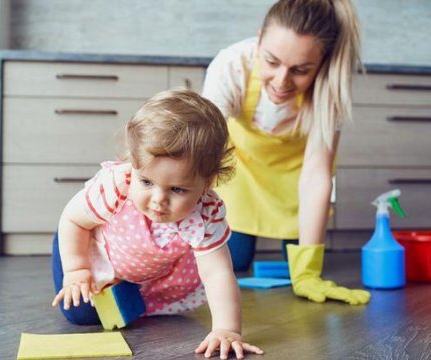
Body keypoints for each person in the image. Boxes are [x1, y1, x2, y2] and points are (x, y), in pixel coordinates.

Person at [51, 89, 264, 359]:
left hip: (146, 266)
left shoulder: (206, 214)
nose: (158, 200)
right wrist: (77, 270)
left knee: (137, 311)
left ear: (207, 183)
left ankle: (131, 287)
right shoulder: (117, 185)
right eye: (147, 182)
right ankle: (107, 281)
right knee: (81, 315)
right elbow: (73, 220)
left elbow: (218, 273)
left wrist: (227, 329)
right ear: (133, 163)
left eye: (177, 189)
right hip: (87, 245)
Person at [202, 0, 371, 305]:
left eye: (300, 70)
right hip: (242, 171)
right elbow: (201, 147)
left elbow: (317, 175)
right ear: (259, 39)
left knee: (299, 268)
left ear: (322, 63)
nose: (281, 81)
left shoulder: (330, 87)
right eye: (271, 61)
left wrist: (308, 272)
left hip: (296, 179)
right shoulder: (231, 65)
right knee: (233, 260)